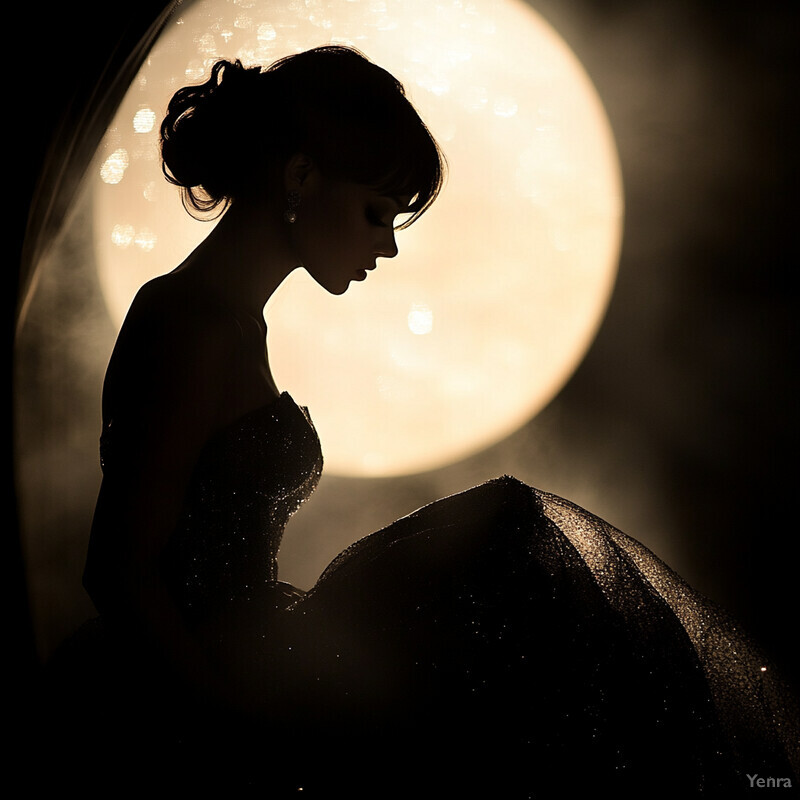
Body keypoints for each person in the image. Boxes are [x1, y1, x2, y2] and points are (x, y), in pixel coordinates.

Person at [47, 47, 796, 796]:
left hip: (251, 654)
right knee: (508, 551)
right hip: (194, 686)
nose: (389, 243)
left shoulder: (234, 324)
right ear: (301, 177)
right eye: (377, 212)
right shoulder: (191, 322)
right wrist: (235, 718)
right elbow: (117, 570)